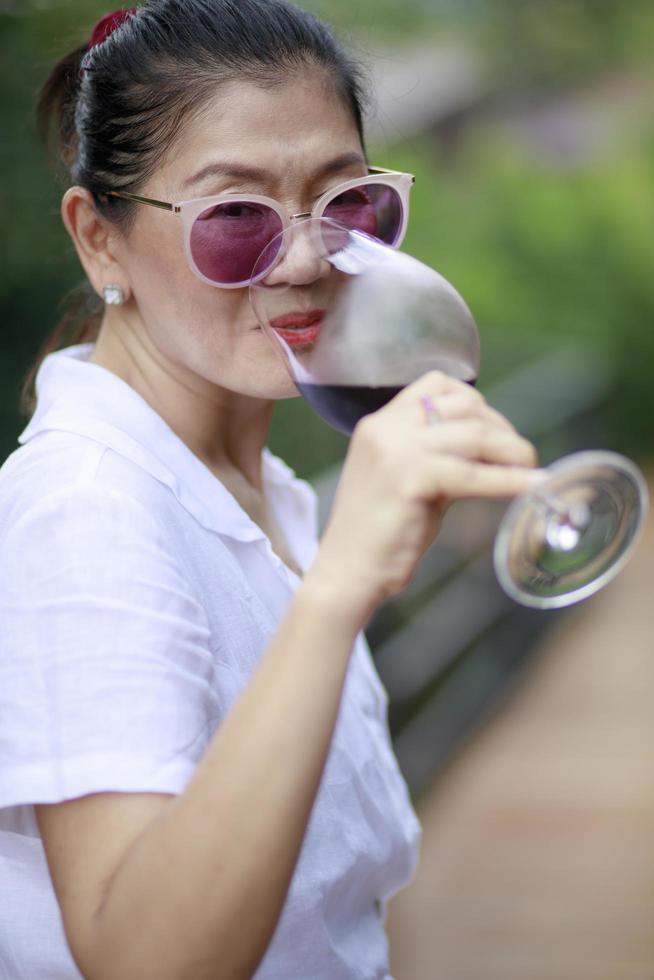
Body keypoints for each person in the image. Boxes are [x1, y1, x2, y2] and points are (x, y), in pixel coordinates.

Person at [0, 2, 539, 978]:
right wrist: (339, 589)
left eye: (347, 208)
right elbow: (142, 956)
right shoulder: (87, 506)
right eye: (235, 216)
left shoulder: (261, 488)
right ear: (100, 240)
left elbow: (333, 904)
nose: (301, 260)